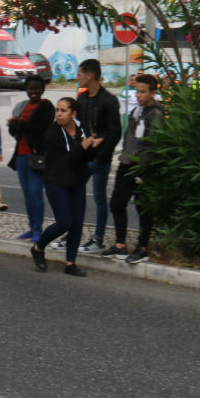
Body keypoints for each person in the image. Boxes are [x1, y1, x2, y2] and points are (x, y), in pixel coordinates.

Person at [29, 98, 102, 276]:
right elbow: (65, 161)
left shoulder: (82, 128)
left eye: (63, 110)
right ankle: (38, 247)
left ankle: (70, 263)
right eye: (57, 110)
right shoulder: (52, 134)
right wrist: (82, 147)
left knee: (77, 223)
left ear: (73, 113)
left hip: (77, 181)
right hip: (56, 181)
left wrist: (93, 145)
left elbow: (88, 156)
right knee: (64, 222)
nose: (59, 114)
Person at [103, 73, 165, 264]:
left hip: (142, 168)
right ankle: (120, 245)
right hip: (126, 164)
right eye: (136, 91)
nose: (138, 95)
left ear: (153, 92)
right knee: (116, 204)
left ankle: (143, 248)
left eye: (143, 92)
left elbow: (153, 145)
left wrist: (143, 170)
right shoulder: (136, 111)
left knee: (143, 208)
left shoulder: (156, 114)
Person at [74, 59, 122, 254]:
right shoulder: (82, 99)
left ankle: (98, 237)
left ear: (90, 76)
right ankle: (72, 233)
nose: (77, 77)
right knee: (74, 196)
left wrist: (101, 153)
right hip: (83, 157)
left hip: (100, 159)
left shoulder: (109, 100)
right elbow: (78, 126)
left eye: (79, 74)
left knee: (99, 199)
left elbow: (115, 132)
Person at [7, 75, 55, 242]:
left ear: (42, 89)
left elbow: (41, 128)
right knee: (27, 193)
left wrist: (22, 124)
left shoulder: (46, 106)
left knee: (35, 193)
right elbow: (16, 133)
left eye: (36, 88)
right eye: (30, 89)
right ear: (26, 90)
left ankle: (38, 230)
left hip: (36, 155)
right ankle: (31, 226)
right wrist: (13, 125)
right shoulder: (23, 106)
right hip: (20, 155)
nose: (33, 92)